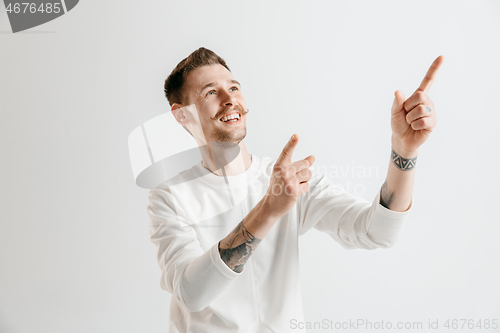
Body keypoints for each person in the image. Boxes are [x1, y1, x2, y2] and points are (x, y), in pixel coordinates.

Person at [146, 47, 443, 332]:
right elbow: (192, 293)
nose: (229, 99)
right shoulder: (169, 196)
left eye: (234, 88)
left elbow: (378, 232)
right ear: (182, 115)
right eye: (211, 92)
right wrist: (268, 209)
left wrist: (404, 152)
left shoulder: (290, 180)